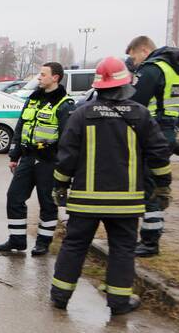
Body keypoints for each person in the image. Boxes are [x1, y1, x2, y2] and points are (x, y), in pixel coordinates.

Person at [49, 57, 172, 315]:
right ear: (125, 84)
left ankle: (60, 296)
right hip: (125, 202)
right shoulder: (140, 114)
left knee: (74, 245)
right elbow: (159, 153)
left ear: (99, 86)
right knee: (122, 249)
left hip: (85, 200)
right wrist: (163, 187)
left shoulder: (82, 114)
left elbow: (66, 156)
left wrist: (60, 186)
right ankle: (118, 302)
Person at [0, 62, 75, 256]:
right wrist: (14, 155)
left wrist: (63, 166)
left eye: (43, 74)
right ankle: (16, 240)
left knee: (48, 204)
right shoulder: (33, 99)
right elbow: (21, 126)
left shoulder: (64, 104)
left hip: (49, 161)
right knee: (14, 197)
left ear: (55, 77)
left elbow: (68, 138)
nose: (39, 78)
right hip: (28, 157)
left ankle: (43, 242)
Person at [126, 35, 179, 257]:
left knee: (148, 187)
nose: (133, 62)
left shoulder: (152, 68)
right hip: (167, 130)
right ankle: (150, 238)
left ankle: (150, 242)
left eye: (133, 56)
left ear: (143, 50)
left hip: (152, 131)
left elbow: (136, 101)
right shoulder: (176, 69)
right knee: (152, 183)